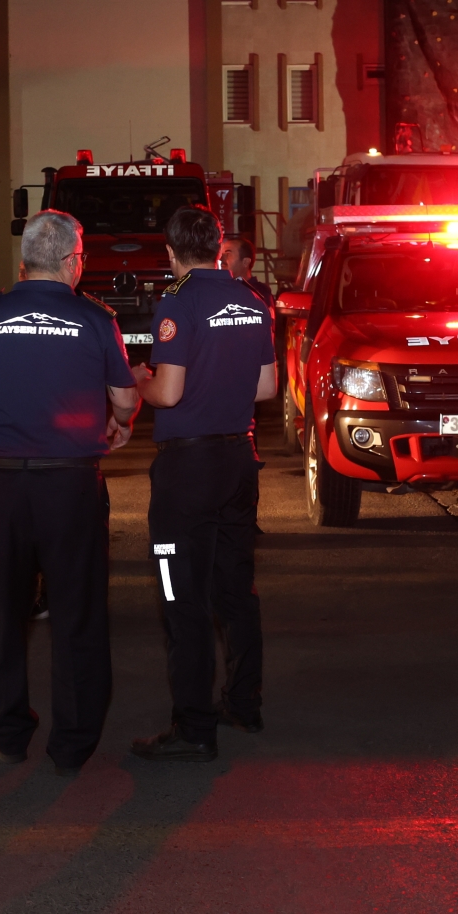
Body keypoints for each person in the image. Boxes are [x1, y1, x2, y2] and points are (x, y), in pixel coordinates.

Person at [0, 210, 139, 774]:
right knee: (76, 612)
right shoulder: (95, 318)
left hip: (4, 484)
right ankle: (73, 741)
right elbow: (124, 399)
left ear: (23, 259)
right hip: (71, 484)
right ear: (74, 261)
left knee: (2, 612)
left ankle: (5, 731)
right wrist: (122, 420)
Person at [129, 207, 278, 762]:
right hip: (239, 461)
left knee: (181, 599)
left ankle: (193, 728)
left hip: (186, 470)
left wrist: (140, 380)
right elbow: (265, 387)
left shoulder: (178, 301)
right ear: (220, 247)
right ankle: (244, 702)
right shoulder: (252, 301)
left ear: (171, 253)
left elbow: (167, 393)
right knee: (236, 590)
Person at [220, 236, 274, 309]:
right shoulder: (219, 288)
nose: (221, 258)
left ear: (245, 262)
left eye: (228, 254)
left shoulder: (260, 293)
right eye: (221, 254)